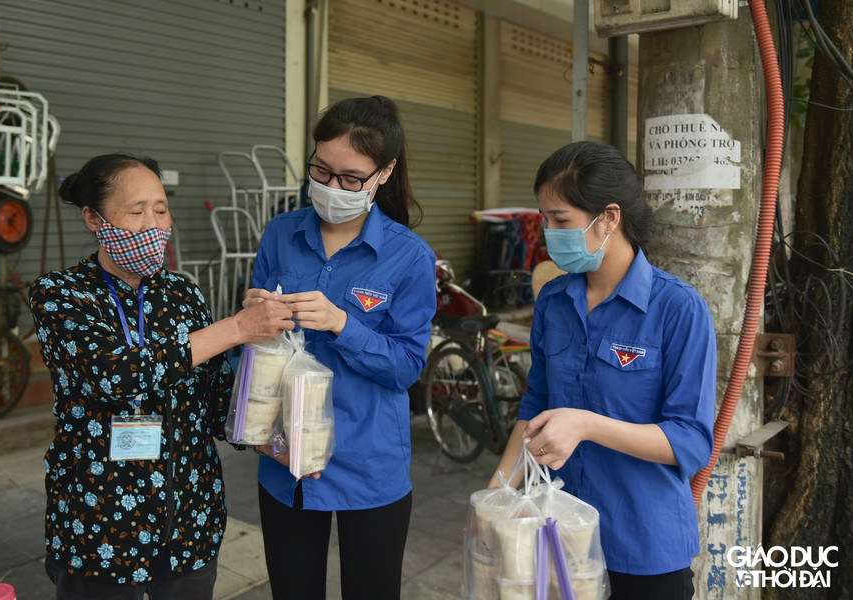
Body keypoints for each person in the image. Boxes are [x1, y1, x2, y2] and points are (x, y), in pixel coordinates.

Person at [30, 153, 295, 599]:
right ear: (94, 218)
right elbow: (115, 376)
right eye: (135, 212)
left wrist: (271, 438)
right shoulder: (61, 295)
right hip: (102, 525)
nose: (152, 225)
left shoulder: (183, 294)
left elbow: (214, 400)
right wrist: (234, 328)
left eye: (160, 209)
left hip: (189, 521)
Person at [491, 141, 716, 599]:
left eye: (560, 220)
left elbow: (690, 440)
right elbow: (535, 404)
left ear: (608, 218)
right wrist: (495, 495)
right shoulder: (554, 301)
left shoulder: (677, 309)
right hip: (560, 536)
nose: (549, 232)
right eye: (545, 219)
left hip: (643, 545)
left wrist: (587, 425)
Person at [242, 95, 436, 599]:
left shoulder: (410, 257)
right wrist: (253, 319)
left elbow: (407, 366)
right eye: (321, 171)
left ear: (384, 173)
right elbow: (254, 347)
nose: (331, 188)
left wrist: (342, 324)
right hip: (285, 460)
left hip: (368, 464)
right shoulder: (281, 235)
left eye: (350, 179)